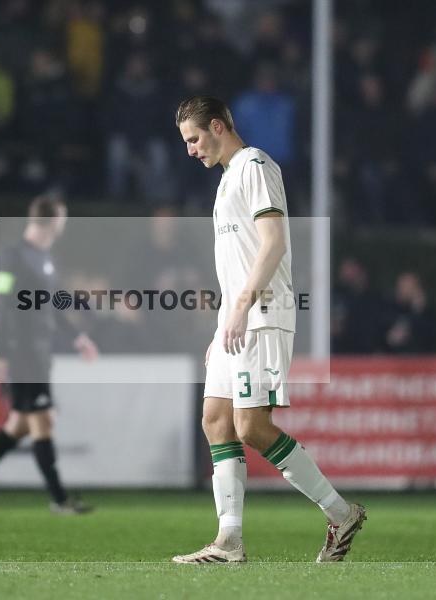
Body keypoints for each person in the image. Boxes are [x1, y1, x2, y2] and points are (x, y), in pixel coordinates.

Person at [172, 97, 365, 563]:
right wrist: (222, 325)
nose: (191, 150)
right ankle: (229, 541)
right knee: (216, 421)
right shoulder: (226, 180)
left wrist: (239, 308)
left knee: (252, 426)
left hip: (260, 313)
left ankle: (341, 513)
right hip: (235, 320)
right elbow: (238, 262)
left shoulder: (255, 164)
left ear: (217, 126)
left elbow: (273, 243)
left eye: (194, 139)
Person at [0, 195, 98, 514]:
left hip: (39, 352)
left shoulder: (44, 258)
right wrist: (0, 349)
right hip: (21, 354)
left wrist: (77, 337)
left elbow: (52, 305)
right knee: (43, 419)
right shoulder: (12, 256)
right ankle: (59, 499)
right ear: (56, 220)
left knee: (19, 424)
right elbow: (1, 303)